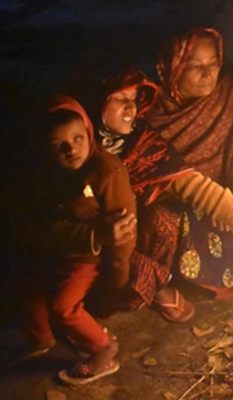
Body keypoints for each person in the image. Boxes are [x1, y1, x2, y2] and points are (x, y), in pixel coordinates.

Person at [90, 67, 233, 308]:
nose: (131, 108)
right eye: (120, 99)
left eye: (133, 99)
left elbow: (199, 189)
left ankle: (151, 283)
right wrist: (96, 235)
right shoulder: (77, 149)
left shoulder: (144, 145)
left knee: (165, 219)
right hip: (88, 239)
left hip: (130, 231)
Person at [22, 96, 136, 384]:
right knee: (27, 285)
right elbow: (34, 226)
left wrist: (117, 276)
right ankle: (41, 339)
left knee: (64, 306)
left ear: (89, 133)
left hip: (88, 257)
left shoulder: (108, 172)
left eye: (77, 139)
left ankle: (104, 349)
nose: (71, 150)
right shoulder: (42, 174)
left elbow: (123, 236)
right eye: (59, 146)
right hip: (57, 250)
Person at [145, 27, 233, 206]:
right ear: (171, 67)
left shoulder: (230, 97)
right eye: (195, 65)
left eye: (213, 63)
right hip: (181, 205)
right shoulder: (147, 113)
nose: (208, 74)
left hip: (232, 201)